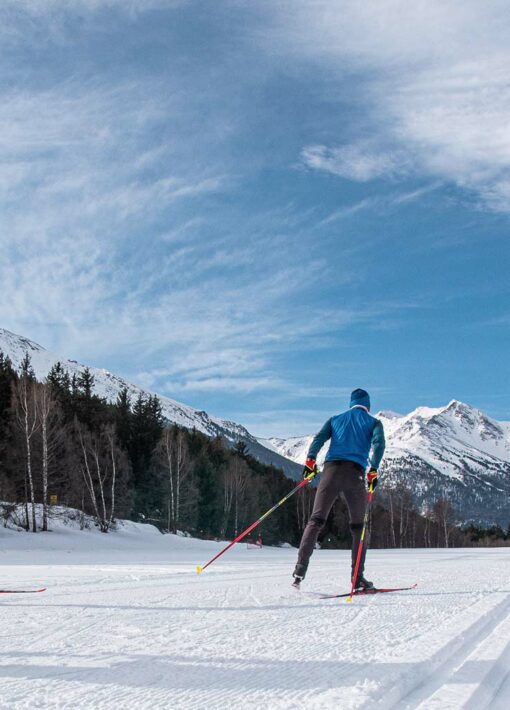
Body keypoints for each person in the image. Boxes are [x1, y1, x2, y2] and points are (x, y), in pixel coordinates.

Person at [292, 388, 385, 590]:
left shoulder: (335, 419)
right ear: (368, 406)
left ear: (351, 404)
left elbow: (318, 439)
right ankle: (357, 578)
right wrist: (374, 470)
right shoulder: (373, 422)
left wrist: (310, 461)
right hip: (355, 474)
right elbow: (379, 444)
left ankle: (299, 571)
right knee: (359, 528)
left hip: (330, 472)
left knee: (316, 520)